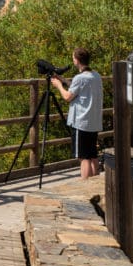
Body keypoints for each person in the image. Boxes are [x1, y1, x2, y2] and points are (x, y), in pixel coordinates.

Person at [50, 47, 103, 179]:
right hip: (93, 122)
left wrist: (58, 86)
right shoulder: (96, 76)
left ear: (77, 60)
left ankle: (84, 186)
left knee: (83, 157)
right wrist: (62, 79)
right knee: (92, 155)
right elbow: (80, 89)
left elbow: (68, 96)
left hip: (81, 122)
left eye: (73, 58)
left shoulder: (80, 78)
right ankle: (94, 186)